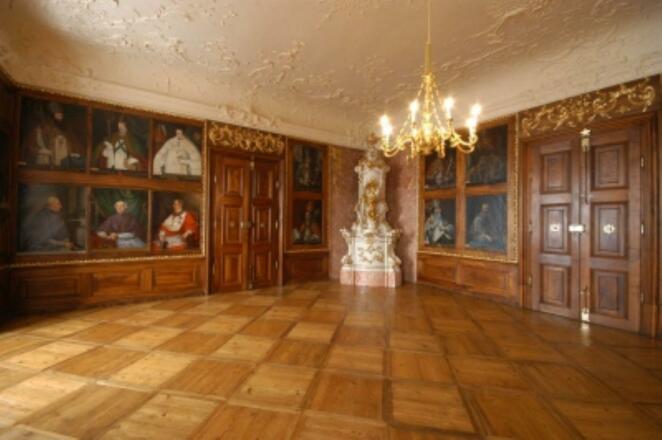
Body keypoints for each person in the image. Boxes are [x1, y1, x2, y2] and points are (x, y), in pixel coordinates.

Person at [23, 101, 83, 168]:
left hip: (63, 168)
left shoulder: (66, 132)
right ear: (49, 117)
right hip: (44, 166)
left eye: (60, 116)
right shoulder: (38, 131)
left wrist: (72, 154)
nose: (59, 119)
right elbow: (29, 148)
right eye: (56, 116)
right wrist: (41, 151)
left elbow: (74, 149)